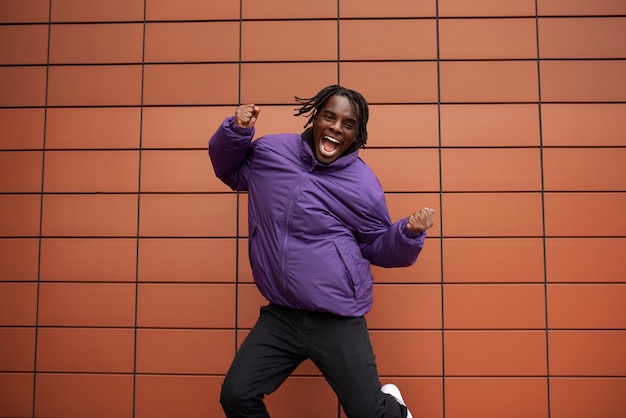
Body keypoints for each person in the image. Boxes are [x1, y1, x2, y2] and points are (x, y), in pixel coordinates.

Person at [209, 84, 435, 418]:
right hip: (283, 313)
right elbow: (229, 169)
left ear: (357, 135)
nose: (335, 127)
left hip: (337, 317)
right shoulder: (271, 152)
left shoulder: (362, 185)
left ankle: (397, 411)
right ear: (315, 118)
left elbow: (378, 247)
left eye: (348, 124)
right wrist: (237, 130)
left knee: (368, 414)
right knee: (237, 396)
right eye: (329, 116)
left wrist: (407, 233)